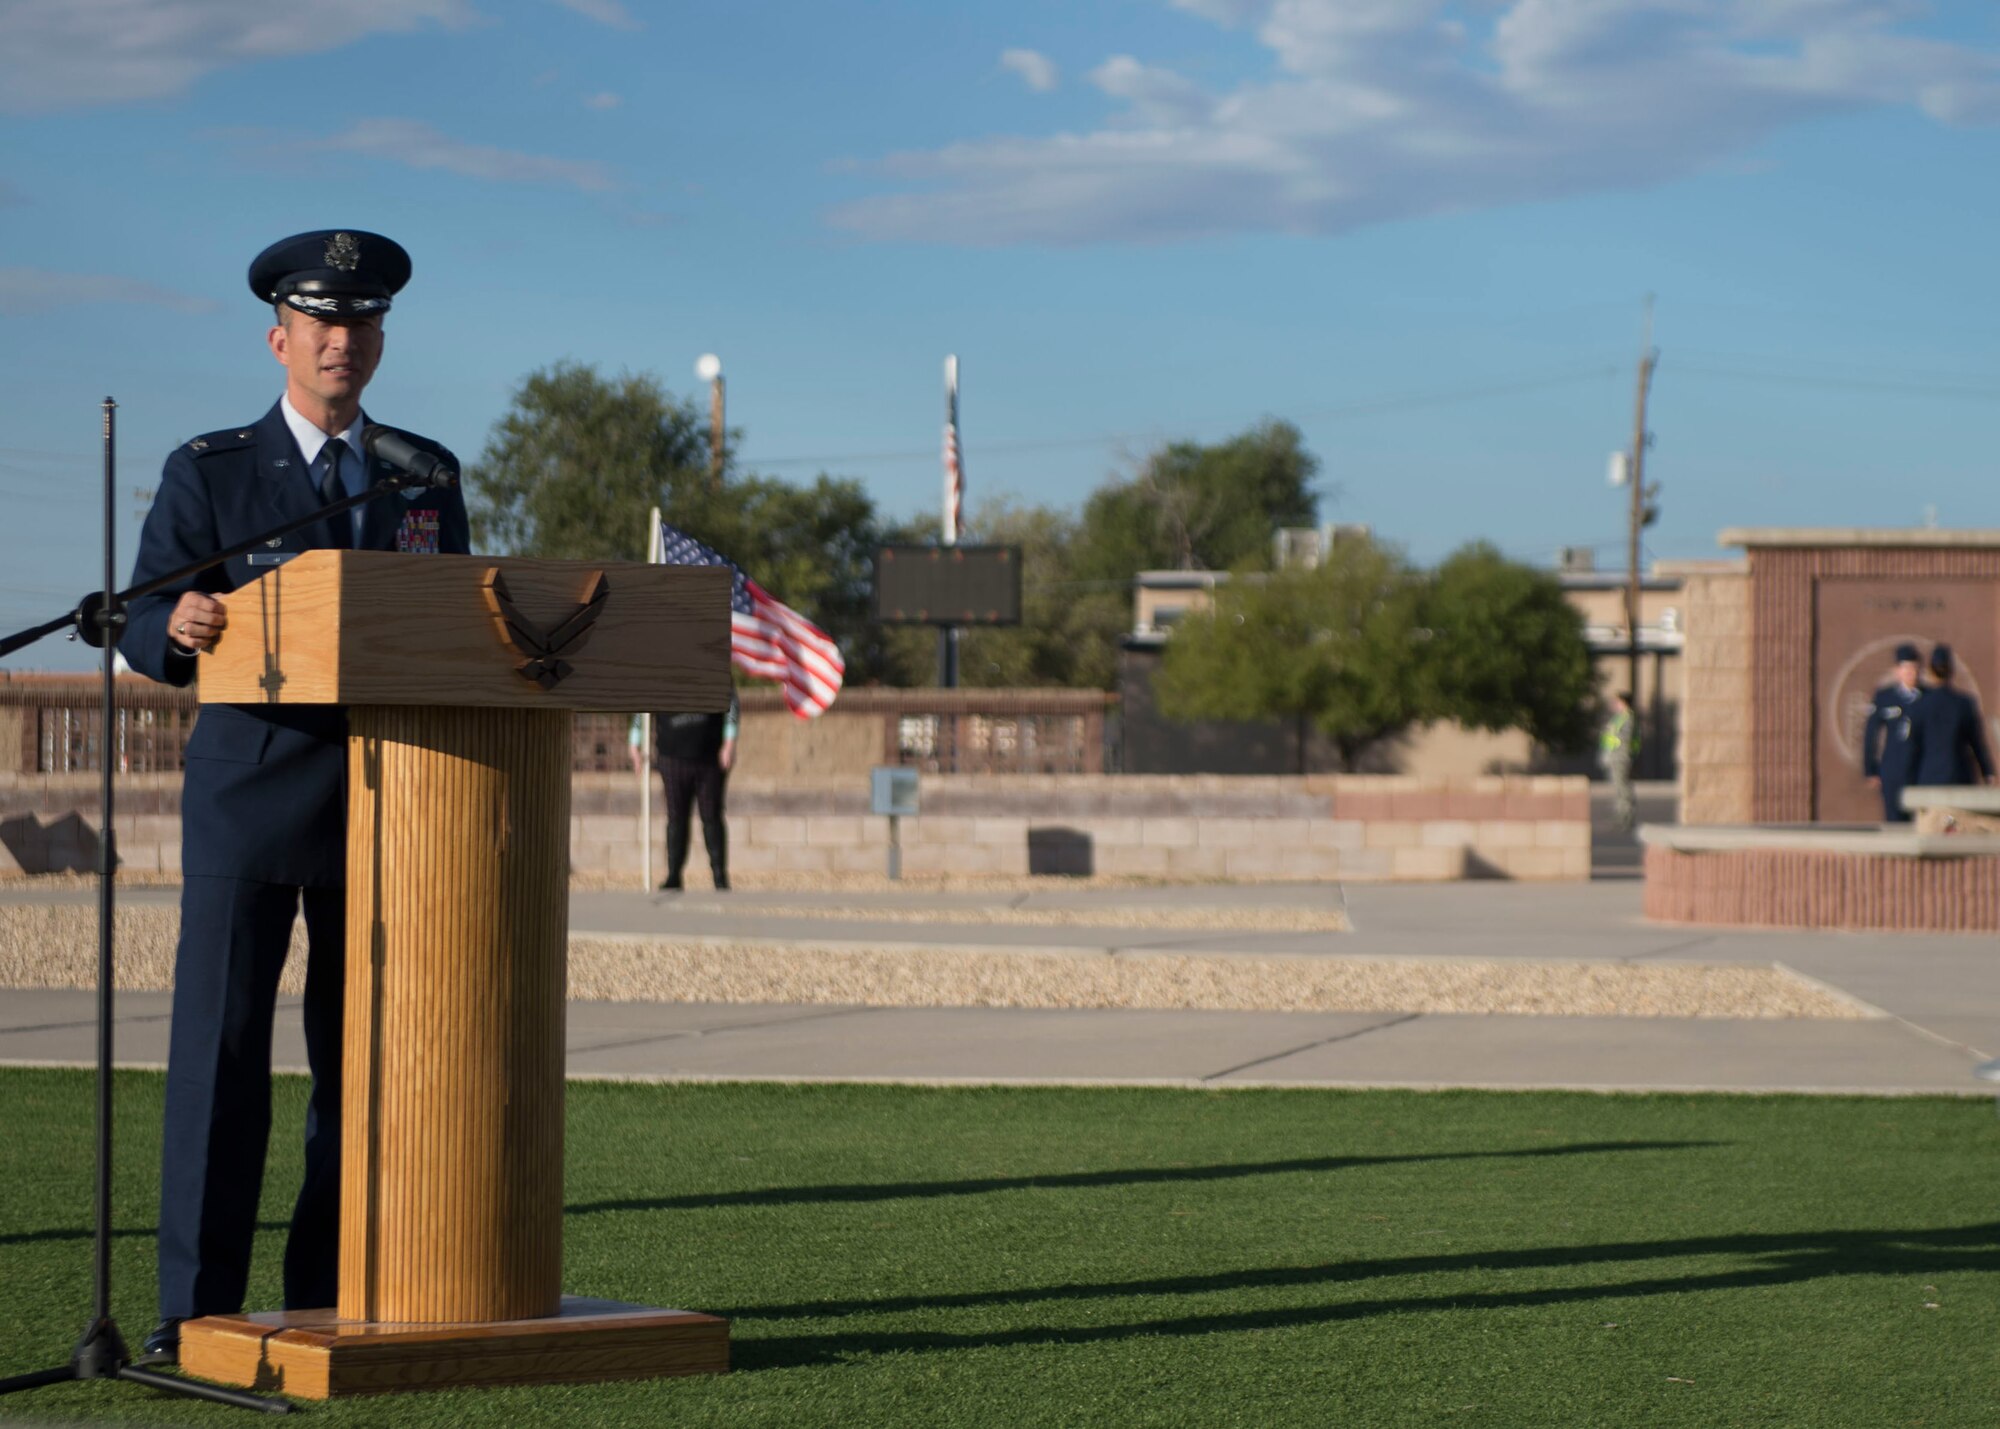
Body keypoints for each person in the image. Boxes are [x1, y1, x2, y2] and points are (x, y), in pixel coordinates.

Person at [119, 230, 470, 1364]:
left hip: (385, 801)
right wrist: (173, 625)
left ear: (379, 340)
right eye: (321, 322)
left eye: (361, 323)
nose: (341, 340)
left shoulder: (424, 474)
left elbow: (455, 627)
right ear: (280, 337)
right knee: (220, 1066)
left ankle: (325, 1299)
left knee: (358, 1073)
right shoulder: (211, 469)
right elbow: (140, 616)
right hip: (250, 798)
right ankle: (194, 1313)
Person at [631, 690, 740, 890]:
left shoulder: (712, 668)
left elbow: (730, 700)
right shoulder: (661, 674)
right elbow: (642, 708)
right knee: (676, 817)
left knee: (712, 815)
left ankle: (719, 875)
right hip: (671, 756)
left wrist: (730, 741)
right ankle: (674, 874)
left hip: (709, 757)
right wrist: (635, 741)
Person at [1904, 644, 1993, 794]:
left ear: (1931, 671)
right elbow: (1976, 742)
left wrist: (1908, 777)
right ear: (1951, 671)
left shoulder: (1919, 706)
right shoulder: (1964, 704)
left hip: (1929, 777)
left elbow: (1912, 747)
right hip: (1960, 776)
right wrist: (1987, 771)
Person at [1862, 642, 1926, 823]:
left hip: (1920, 770)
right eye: (1906, 669)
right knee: (1894, 821)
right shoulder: (1885, 697)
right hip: (1893, 769)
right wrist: (1870, 769)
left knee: (1919, 821)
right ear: (1897, 671)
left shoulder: (1928, 697)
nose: (1911, 674)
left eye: (1914, 669)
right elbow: (1871, 734)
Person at [1599, 690, 1639, 833]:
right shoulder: (1619, 717)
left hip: (1621, 758)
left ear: (1624, 702)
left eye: (1617, 701)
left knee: (1623, 788)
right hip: (1615, 758)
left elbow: (1624, 739)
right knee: (1619, 788)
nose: (1615, 704)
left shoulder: (1627, 718)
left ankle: (1626, 817)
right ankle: (1621, 816)